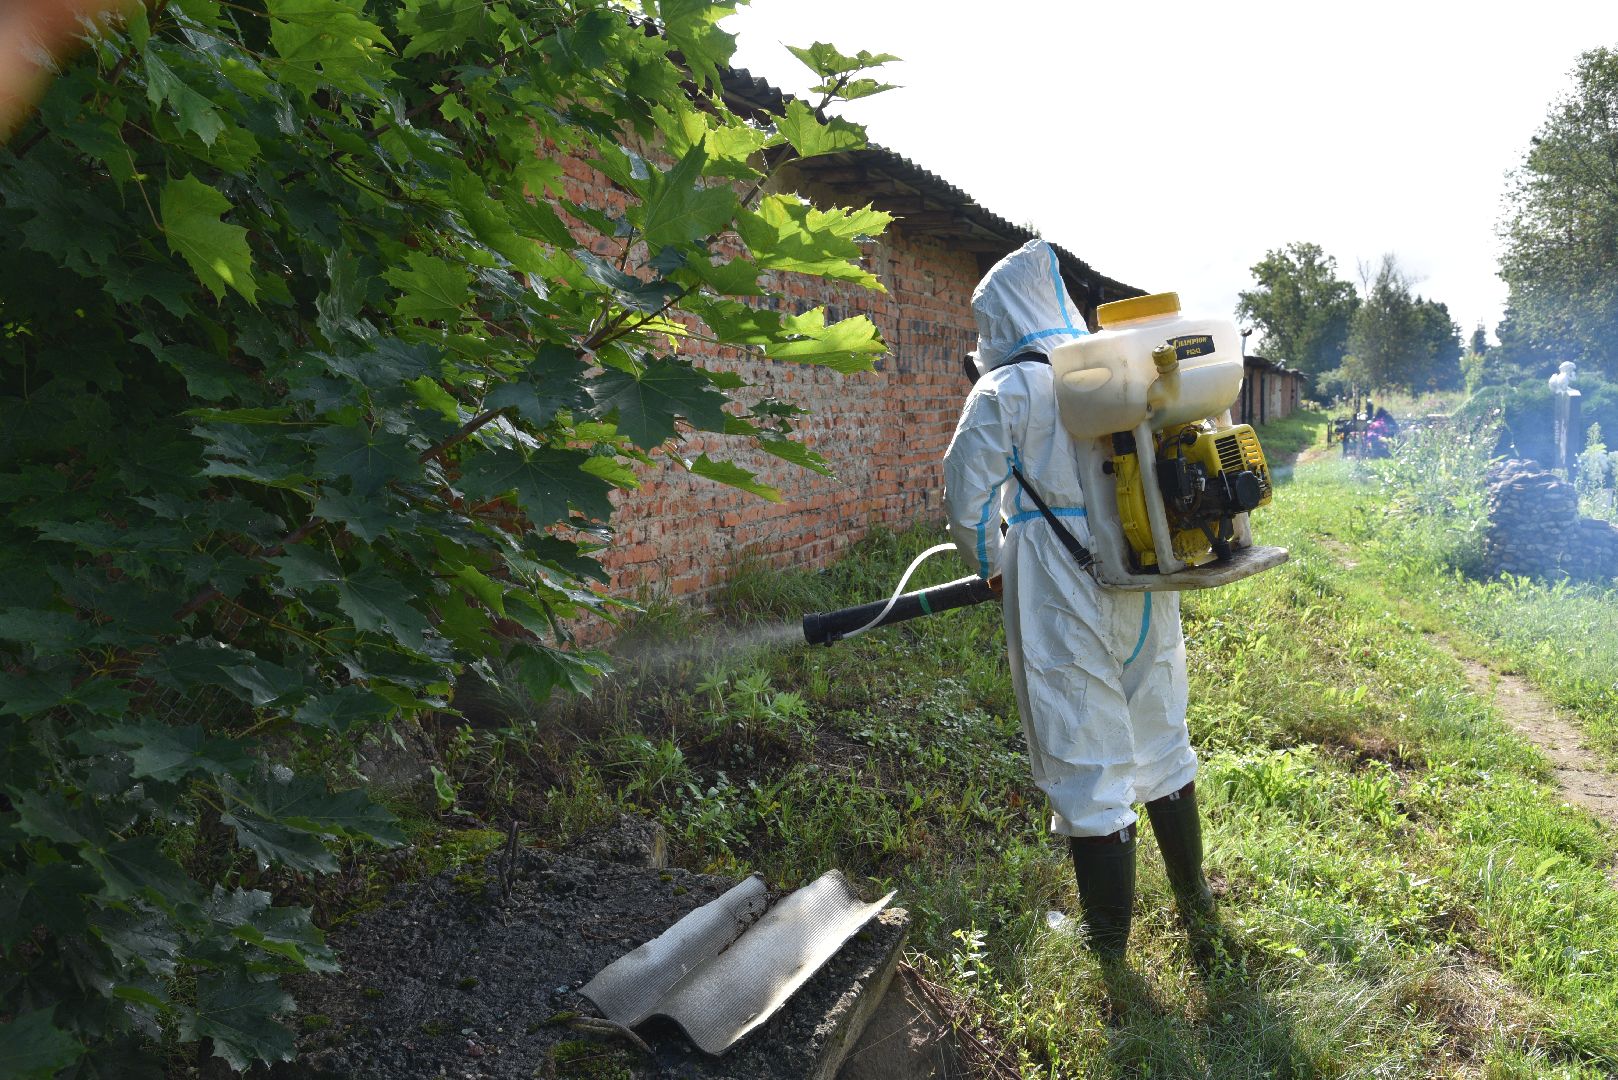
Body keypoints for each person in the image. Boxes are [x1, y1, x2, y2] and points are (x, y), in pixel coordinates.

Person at [943, 240, 1213, 960]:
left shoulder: (1005, 392)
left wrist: (992, 564)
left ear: (998, 322)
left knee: (1085, 757)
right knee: (1161, 738)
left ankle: (1110, 953)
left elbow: (965, 498)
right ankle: (1198, 912)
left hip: (1058, 586)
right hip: (1141, 570)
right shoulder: (1118, 368)